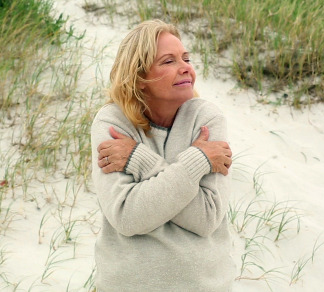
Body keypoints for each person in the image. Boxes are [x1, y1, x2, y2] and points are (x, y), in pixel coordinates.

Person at [90, 19, 235, 291]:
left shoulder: (207, 119)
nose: (186, 68)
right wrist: (197, 161)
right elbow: (127, 217)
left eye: (186, 58)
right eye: (168, 61)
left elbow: (206, 217)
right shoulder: (112, 123)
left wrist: (140, 161)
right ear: (139, 77)